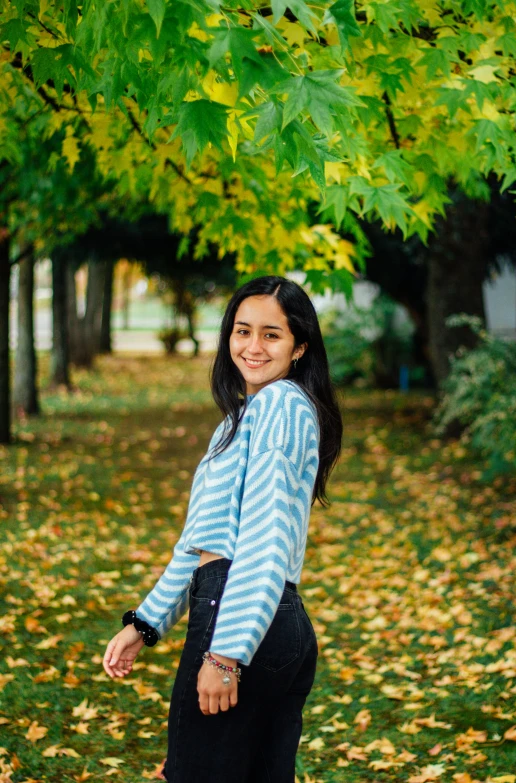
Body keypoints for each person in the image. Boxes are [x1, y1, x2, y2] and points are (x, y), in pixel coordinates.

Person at [103, 275, 343, 783]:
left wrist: (227, 653)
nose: (253, 346)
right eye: (242, 330)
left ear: (300, 347)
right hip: (265, 619)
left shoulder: (279, 406)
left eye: (271, 334)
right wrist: (145, 624)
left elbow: (265, 540)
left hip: (238, 619)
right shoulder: (243, 418)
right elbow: (200, 543)